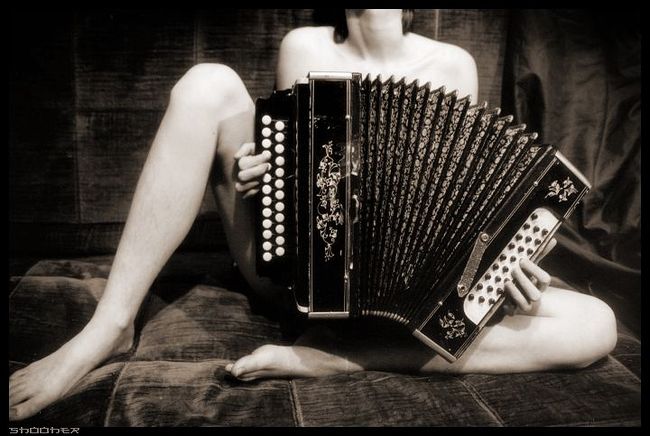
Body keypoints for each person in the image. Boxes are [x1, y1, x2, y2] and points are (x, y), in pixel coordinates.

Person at [8, 9, 617, 421]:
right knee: (206, 83)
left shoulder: (455, 64)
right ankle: (109, 326)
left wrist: (505, 263)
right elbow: (298, 186)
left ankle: (341, 358)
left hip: (408, 305)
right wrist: (260, 174)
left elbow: (463, 206)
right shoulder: (303, 46)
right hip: (298, 279)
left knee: (599, 325)